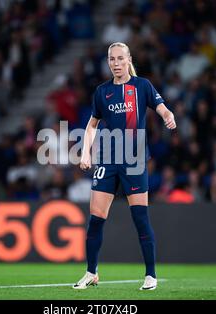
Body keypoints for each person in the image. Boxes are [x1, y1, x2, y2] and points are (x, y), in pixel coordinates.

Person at [73, 42, 176, 290]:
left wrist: (167, 114)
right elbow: (91, 125)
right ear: (108, 62)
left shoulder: (142, 86)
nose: (116, 63)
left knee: (140, 218)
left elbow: (161, 106)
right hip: (108, 159)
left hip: (134, 160)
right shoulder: (102, 91)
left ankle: (151, 275)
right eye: (112, 59)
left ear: (129, 59)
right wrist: (85, 152)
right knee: (96, 218)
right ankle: (91, 272)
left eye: (120, 58)